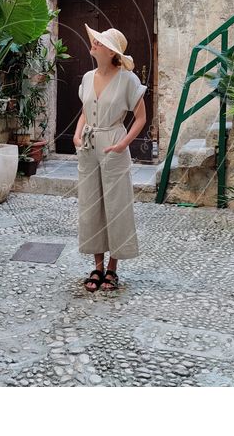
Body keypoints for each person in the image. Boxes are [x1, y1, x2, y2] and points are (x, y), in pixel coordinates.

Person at [73, 24, 147, 292]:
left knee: (116, 205)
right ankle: (97, 266)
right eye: (95, 40)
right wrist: (77, 135)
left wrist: (122, 144)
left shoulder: (128, 80)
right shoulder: (87, 77)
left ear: (112, 51)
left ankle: (113, 269)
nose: (93, 43)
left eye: (99, 42)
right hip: (89, 145)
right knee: (91, 204)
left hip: (114, 141)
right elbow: (84, 111)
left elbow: (141, 118)